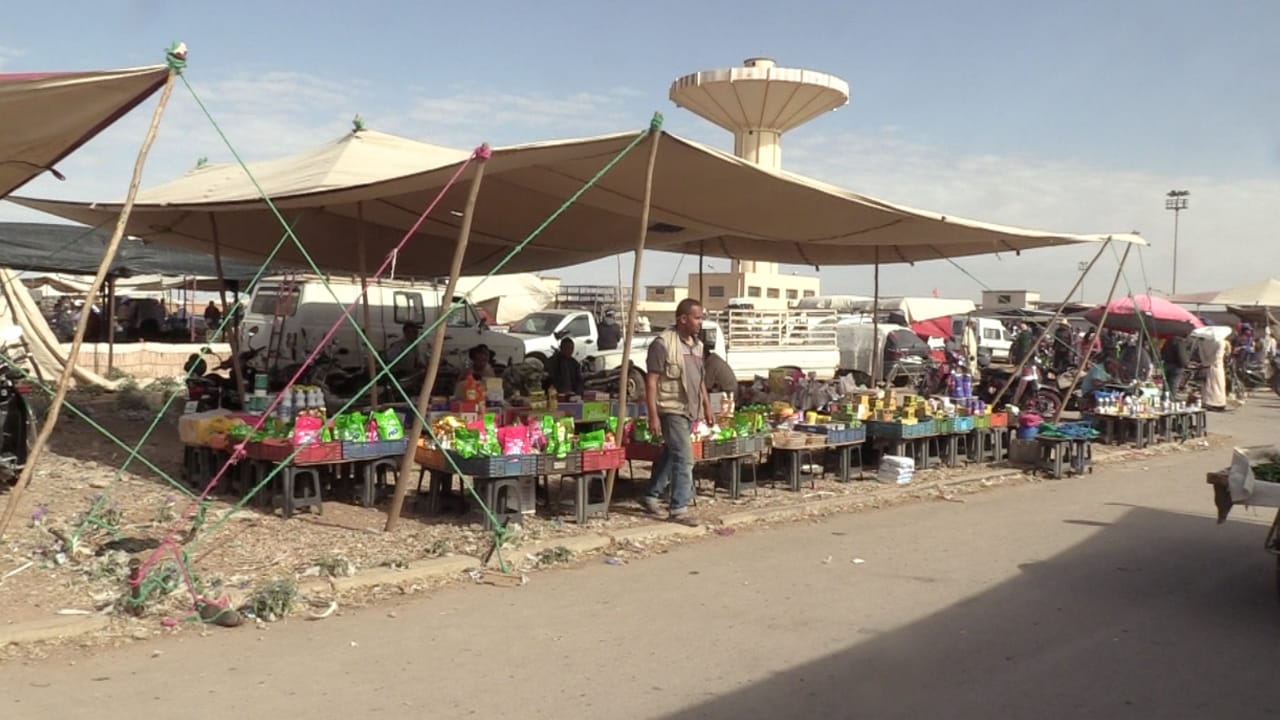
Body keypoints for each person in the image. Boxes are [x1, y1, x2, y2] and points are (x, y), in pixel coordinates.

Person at [640, 299, 713, 526]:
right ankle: (679, 508)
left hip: (690, 409)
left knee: (673, 453)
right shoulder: (663, 344)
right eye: (697, 317)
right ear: (682, 319)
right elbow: (651, 382)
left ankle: (651, 495)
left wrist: (707, 406)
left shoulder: (697, 346)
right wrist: (652, 415)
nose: (700, 322)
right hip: (670, 408)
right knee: (685, 458)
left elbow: (699, 379)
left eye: (701, 318)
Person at [1200, 329, 1229, 411]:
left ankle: (1207, 401)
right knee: (1218, 386)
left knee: (1208, 385)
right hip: (1217, 366)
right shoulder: (1220, 342)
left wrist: (1205, 363)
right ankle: (1218, 403)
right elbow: (1217, 357)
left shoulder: (1203, 342)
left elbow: (1201, 355)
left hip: (1206, 366)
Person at [1160, 335, 1189, 399]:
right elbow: (1182, 356)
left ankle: (1164, 399)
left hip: (1167, 364)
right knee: (1173, 385)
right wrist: (1186, 364)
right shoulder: (1180, 342)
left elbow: (1162, 352)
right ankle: (1170, 400)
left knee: (1166, 385)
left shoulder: (1168, 341)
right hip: (1176, 367)